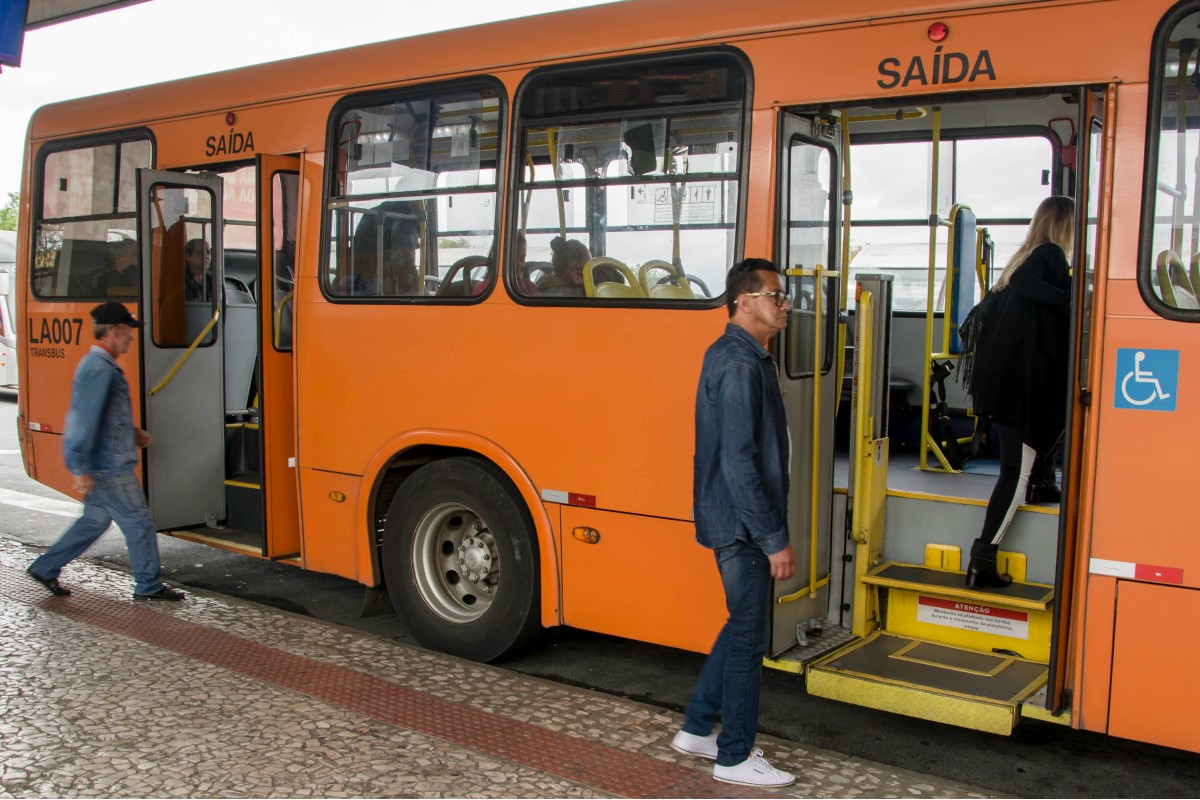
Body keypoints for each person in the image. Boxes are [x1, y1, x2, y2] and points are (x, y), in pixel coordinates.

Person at [671, 258, 797, 788]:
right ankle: (734, 756)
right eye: (775, 295)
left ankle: (699, 728)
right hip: (744, 525)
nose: (785, 304)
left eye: (785, 295)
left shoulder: (736, 354)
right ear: (744, 302)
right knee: (750, 637)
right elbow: (740, 461)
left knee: (741, 625)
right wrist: (774, 539)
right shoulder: (742, 364)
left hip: (733, 517)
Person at [26, 302, 185, 601]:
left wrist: (132, 433)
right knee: (139, 524)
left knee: (93, 522)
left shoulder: (100, 366)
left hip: (104, 463)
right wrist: (79, 468)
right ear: (112, 331)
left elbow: (103, 416)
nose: (131, 338)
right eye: (127, 332)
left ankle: (46, 568)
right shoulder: (99, 369)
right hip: (110, 467)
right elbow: (84, 421)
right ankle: (149, 585)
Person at [964, 195, 1074, 590]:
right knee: (1014, 473)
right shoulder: (1050, 257)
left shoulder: (1020, 260)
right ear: (1065, 225)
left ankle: (1043, 482)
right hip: (1023, 389)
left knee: (1016, 468)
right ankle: (982, 561)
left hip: (1004, 384)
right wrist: (1074, 298)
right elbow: (1045, 302)